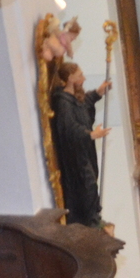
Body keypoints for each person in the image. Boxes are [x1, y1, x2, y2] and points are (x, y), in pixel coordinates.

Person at [49, 60, 111, 227]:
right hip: (74, 156)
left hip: (84, 151)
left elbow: (83, 104)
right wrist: (90, 134)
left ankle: (93, 218)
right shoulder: (63, 102)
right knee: (87, 186)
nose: (83, 78)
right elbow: (69, 128)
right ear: (70, 78)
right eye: (80, 76)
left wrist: (98, 92)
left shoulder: (73, 96)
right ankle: (90, 221)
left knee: (91, 182)